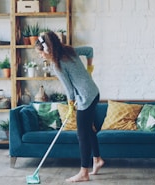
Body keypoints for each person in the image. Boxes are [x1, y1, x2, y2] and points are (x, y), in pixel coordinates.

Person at [35, 31, 104, 182]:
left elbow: (69, 89)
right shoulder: (69, 50)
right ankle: (97, 159)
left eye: (40, 53)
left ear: (47, 50)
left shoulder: (57, 64)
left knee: (82, 135)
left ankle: (84, 172)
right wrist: (89, 68)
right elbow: (89, 51)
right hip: (94, 92)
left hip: (85, 98)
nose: (40, 56)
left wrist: (71, 103)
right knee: (89, 128)